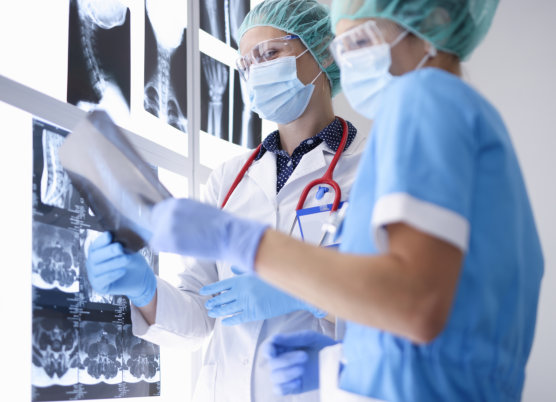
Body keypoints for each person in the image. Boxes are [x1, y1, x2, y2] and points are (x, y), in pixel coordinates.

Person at [145, 0, 544, 401]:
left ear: (434, 22)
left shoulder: (424, 98)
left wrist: (242, 241)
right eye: (344, 45)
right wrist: (344, 364)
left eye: (361, 39)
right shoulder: (469, 115)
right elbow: (448, 311)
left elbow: (415, 302)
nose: (349, 58)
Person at [85, 1, 368, 401]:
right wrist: (145, 289)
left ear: (322, 52)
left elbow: (391, 309)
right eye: (246, 65)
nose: (256, 71)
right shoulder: (229, 179)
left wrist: (304, 293)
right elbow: (200, 315)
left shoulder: (368, 172)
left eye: (269, 54)